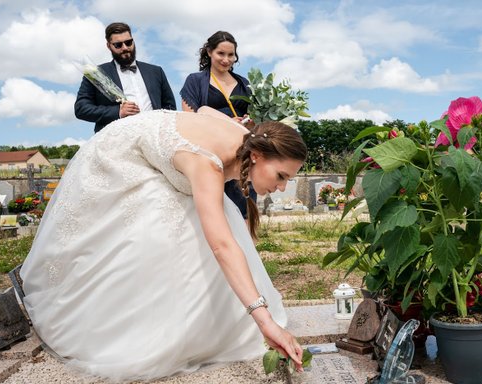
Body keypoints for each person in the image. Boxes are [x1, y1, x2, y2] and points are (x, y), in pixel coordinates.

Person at [19, 107, 306, 381]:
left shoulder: (245, 136)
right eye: (281, 176)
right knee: (162, 226)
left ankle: (211, 322)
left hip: (163, 151)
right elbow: (221, 246)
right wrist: (265, 322)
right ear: (255, 155)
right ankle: (138, 320)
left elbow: (206, 110)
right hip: (120, 155)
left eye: (288, 180)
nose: (281, 187)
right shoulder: (206, 164)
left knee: (214, 215)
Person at [180, 31, 255, 220]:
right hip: (210, 154)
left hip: (239, 154)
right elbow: (190, 119)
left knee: (244, 211)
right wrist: (226, 123)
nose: (226, 59)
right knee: (212, 213)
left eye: (231, 55)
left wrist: (252, 122)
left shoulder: (244, 83)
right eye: (221, 54)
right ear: (209, 52)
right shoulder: (195, 81)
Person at [74, 22, 176, 133]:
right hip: (116, 140)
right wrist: (117, 112)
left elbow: (170, 107)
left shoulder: (156, 71)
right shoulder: (96, 73)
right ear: (109, 46)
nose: (125, 48)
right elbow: (81, 108)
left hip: (154, 136)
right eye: (118, 45)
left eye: (128, 42)